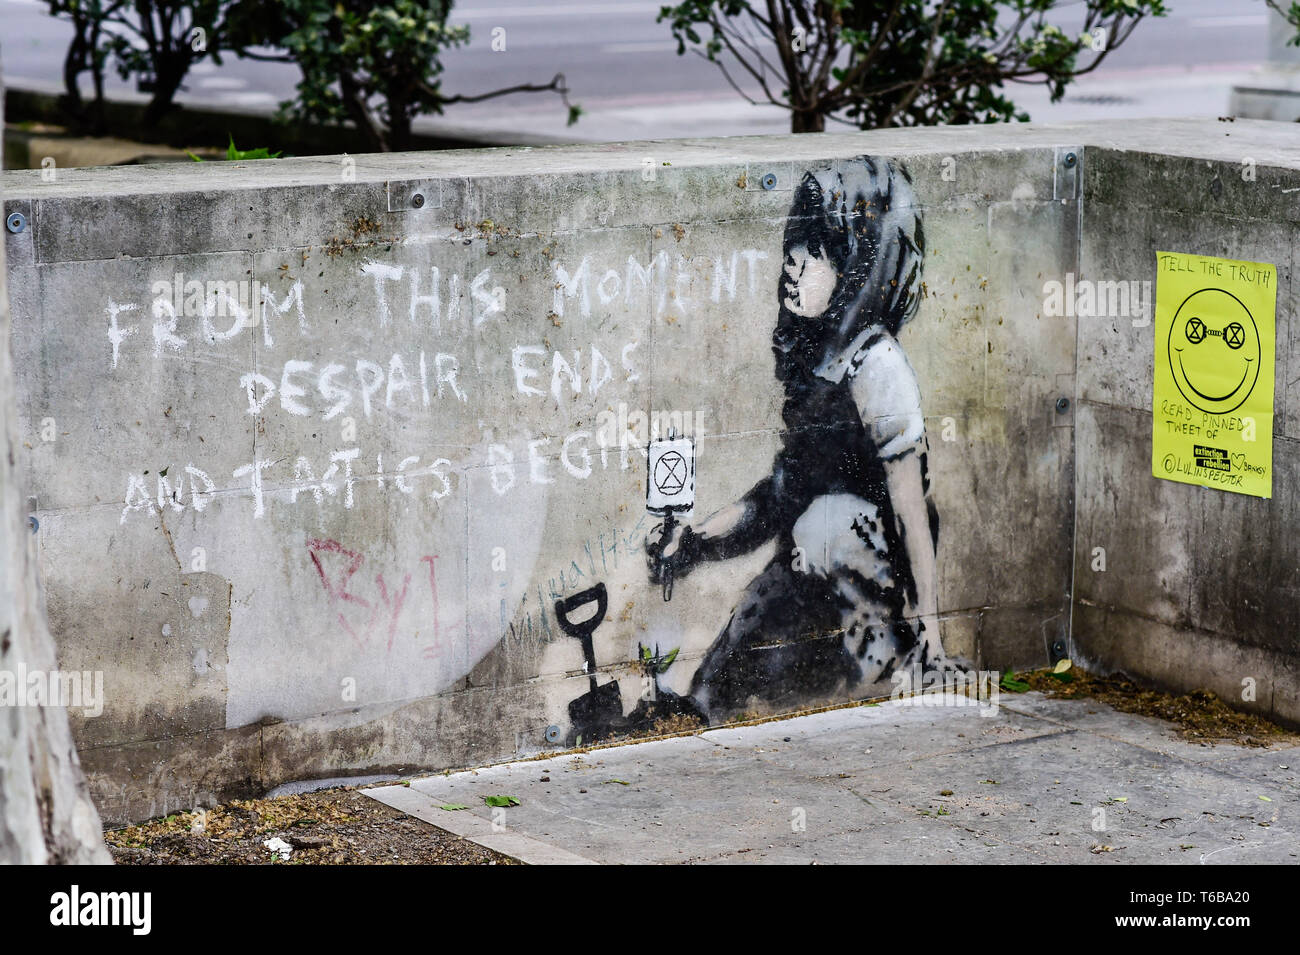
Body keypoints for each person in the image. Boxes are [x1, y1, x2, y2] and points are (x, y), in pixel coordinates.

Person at [646, 156, 949, 722]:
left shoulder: (876, 364)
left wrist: (932, 628)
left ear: (859, 265)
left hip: (868, 577)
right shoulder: (821, 360)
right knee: (751, 622)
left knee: (824, 523)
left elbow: (910, 507)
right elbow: (777, 496)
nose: (794, 263)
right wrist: (694, 540)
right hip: (811, 567)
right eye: (795, 244)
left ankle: (883, 666)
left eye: (818, 251)